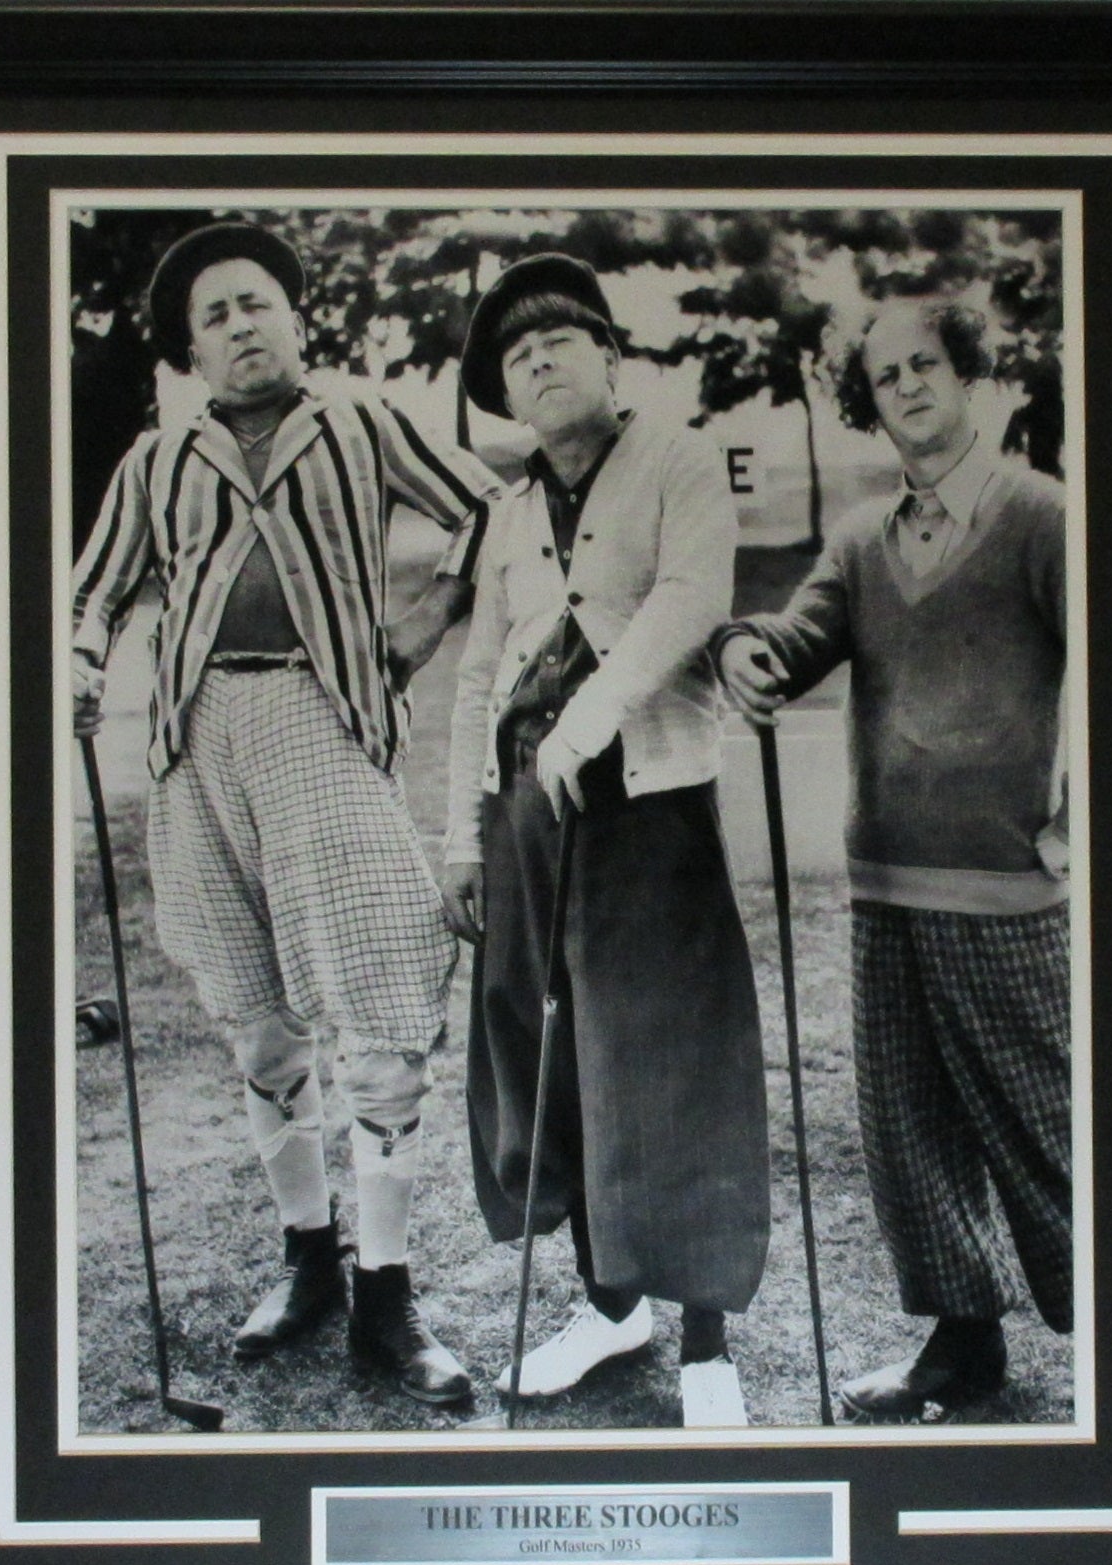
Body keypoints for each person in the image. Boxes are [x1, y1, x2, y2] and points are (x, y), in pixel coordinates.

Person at [72, 221, 502, 1406]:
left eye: (256, 302)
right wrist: (77, 662)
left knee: (375, 1004)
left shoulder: (360, 419)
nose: (240, 325)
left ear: (294, 315)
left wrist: (421, 626)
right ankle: (309, 1257)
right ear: (189, 354)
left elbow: (491, 512)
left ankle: (390, 1297)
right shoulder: (159, 458)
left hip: (325, 727)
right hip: (195, 742)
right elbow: (95, 591)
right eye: (213, 316)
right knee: (256, 1018)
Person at [716, 297, 1072, 1420]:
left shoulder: (1043, 517)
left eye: (927, 364)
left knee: (1046, 1127)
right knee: (907, 1126)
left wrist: (1073, 818)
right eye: (884, 377)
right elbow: (793, 635)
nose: (908, 386)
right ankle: (963, 1345)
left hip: (1006, 885)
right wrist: (745, 652)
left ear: (967, 374)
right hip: (885, 881)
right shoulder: (863, 539)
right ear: (864, 403)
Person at [442, 254, 771, 1429]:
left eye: (560, 339)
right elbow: (482, 670)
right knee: (558, 1057)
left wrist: (586, 719)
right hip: (528, 809)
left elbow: (691, 598)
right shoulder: (511, 506)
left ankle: (704, 1345)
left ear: (611, 357)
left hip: (649, 799)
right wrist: (461, 840)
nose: (537, 360)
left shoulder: (678, 456)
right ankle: (608, 1302)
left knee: (671, 1058)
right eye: (514, 356)